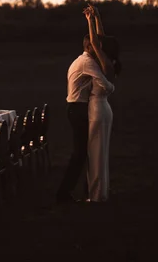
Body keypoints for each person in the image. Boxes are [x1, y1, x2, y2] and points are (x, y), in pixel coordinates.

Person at [56, 24, 115, 204]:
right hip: (78, 109)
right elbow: (105, 81)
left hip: (77, 108)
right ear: (89, 47)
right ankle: (63, 193)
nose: (100, 48)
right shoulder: (87, 62)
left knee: (84, 153)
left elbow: (99, 39)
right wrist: (112, 86)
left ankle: (83, 189)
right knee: (80, 153)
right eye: (96, 45)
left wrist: (95, 19)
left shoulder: (84, 59)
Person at [84, 5, 120, 202]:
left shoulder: (103, 61)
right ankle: (102, 191)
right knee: (102, 152)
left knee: (95, 153)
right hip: (105, 108)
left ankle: (96, 195)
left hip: (97, 109)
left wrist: (89, 20)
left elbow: (95, 42)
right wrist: (97, 17)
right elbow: (101, 39)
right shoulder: (108, 61)